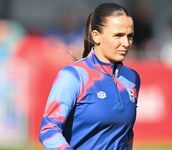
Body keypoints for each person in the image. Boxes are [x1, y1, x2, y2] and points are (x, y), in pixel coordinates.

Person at [39, 3, 141, 150]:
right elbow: (48, 130)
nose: (125, 43)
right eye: (118, 35)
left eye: (129, 36)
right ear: (96, 36)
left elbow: (126, 135)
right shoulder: (74, 76)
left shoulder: (132, 78)